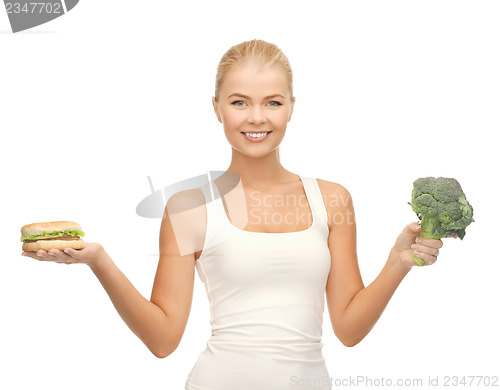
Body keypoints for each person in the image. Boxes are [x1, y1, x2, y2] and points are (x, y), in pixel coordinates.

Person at [21, 39, 456, 390]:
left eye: (272, 102)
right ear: (216, 108)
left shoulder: (333, 199)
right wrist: (99, 260)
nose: (256, 118)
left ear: (291, 106)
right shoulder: (188, 208)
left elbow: (348, 328)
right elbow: (162, 339)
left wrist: (399, 264)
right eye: (239, 102)